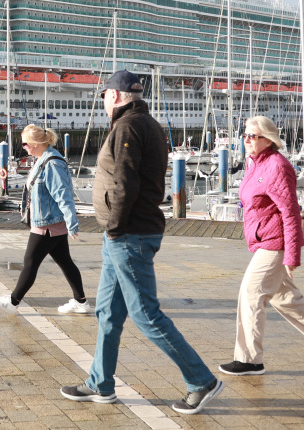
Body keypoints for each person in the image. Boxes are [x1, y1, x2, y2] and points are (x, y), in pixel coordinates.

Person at [60, 70, 224, 416]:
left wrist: (115, 227)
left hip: (128, 234)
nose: (103, 103)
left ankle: (201, 380)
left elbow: (125, 182)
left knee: (145, 313)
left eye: (104, 97)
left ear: (115, 96)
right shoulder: (146, 123)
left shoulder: (128, 126)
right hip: (124, 234)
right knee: (108, 312)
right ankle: (100, 383)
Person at [218, 116, 304, 376]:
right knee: (284, 298)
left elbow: (290, 212)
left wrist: (292, 256)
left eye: (253, 136)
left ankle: (250, 360)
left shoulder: (277, 166)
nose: (247, 140)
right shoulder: (254, 163)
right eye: (245, 135)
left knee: (251, 293)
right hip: (263, 240)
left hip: (276, 243)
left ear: (268, 140)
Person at [0, 124, 90, 316]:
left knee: (30, 261)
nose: (23, 147)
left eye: (25, 143)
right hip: (48, 220)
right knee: (65, 262)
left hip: (48, 223)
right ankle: (81, 302)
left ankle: (12, 302)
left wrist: (72, 223)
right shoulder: (42, 159)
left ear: (34, 143)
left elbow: (63, 195)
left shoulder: (52, 163)